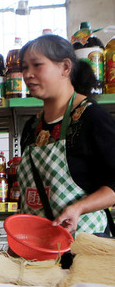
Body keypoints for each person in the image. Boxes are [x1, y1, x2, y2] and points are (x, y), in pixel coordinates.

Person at [18, 34, 115, 236]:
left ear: (65, 67)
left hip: (85, 244)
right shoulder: (32, 127)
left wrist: (79, 208)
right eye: (24, 67)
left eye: (37, 65)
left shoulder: (92, 119)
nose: (28, 74)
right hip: (40, 245)